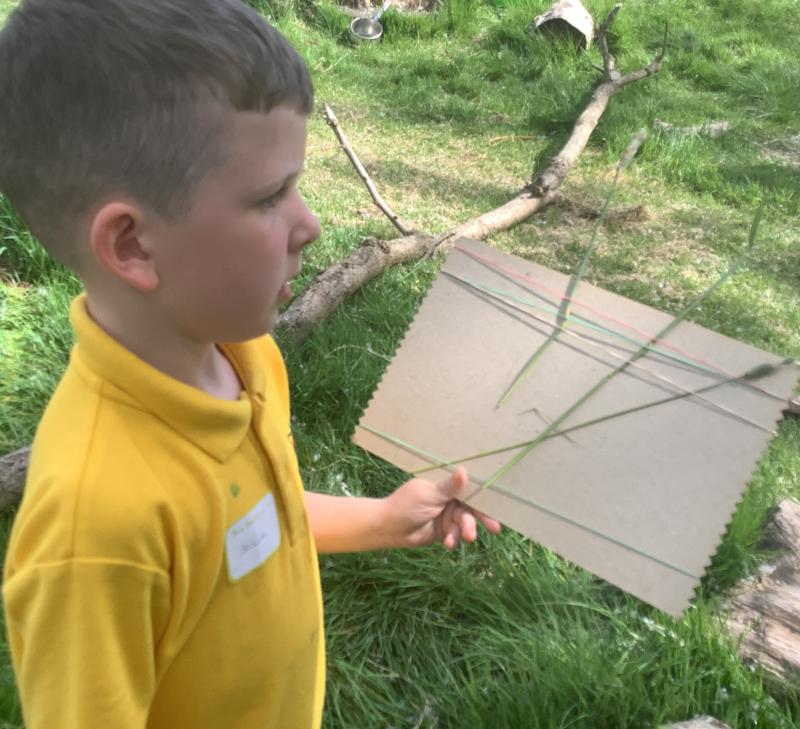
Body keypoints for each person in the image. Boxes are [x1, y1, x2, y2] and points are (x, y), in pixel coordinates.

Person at [0, 1, 502, 727]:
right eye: (270, 196)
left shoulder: (243, 355)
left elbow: (251, 523)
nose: (311, 225)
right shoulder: (94, 531)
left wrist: (383, 520)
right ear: (133, 245)